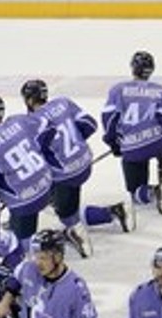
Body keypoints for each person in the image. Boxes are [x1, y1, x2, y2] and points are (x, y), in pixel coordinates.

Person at [22, 79, 127, 257]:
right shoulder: (63, 103)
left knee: (60, 210)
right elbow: (90, 125)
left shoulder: (31, 122)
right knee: (68, 206)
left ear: (28, 100)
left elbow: (34, 157)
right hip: (84, 163)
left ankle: (75, 229)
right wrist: (74, 146)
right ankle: (113, 212)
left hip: (64, 175)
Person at [101, 51, 162, 223]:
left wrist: (113, 142)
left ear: (132, 68)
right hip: (157, 143)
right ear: (151, 70)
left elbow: (110, 119)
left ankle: (153, 191)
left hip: (133, 148)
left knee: (136, 193)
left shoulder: (118, 89)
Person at [0, 94, 52, 253]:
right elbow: (47, 125)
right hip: (46, 185)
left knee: (20, 248)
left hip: (24, 200)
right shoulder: (18, 121)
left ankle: (26, 251)